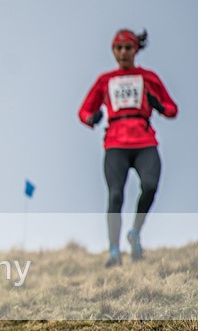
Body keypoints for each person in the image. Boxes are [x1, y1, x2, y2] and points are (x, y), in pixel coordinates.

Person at [78, 29, 178, 267]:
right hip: (115, 144)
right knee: (115, 195)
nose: (123, 52)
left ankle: (135, 232)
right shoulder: (105, 80)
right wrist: (91, 118)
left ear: (135, 50)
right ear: (113, 51)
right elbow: (83, 111)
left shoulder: (149, 77)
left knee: (150, 186)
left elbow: (172, 108)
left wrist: (159, 107)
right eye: (119, 48)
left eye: (128, 47)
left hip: (145, 142)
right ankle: (114, 250)